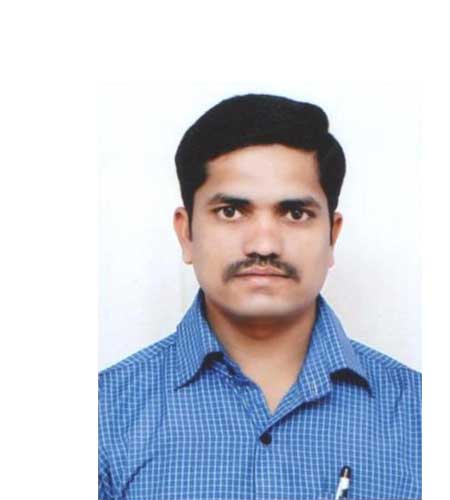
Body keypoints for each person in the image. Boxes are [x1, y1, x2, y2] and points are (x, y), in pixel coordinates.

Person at [98, 94, 421, 500]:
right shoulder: (103, 417)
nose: (264, 244)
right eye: (231, 211)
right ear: (186, 233)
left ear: (332, 236)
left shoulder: (419, 416)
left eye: (295, 213)